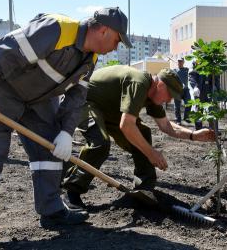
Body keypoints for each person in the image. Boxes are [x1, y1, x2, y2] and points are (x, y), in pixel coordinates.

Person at [0, 7, 131, 249]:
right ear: (104, 30)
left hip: (40, 102)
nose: (116, 47)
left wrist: (65, 131)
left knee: (50, 153)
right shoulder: (56, 29)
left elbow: (76, 98)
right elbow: (5, 51)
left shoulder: (90, 58)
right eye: (117, 40)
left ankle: (51, 211)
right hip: (3, 92)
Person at [61, 66, 216, 209]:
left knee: (143, 133)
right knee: (100, 143)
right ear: (161, 85)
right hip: (83, 100)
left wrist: (192, 135)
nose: (169, 100)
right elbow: (126, 126)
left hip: (109, 108)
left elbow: (165, 126)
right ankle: (71, 193)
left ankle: (144, 191)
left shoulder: (153, 94)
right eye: (169, 95)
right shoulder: (139, 83)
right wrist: (151, 153)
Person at [189, 62, 221, 130]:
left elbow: (217, 76)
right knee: (198, 109)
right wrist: (194, 86)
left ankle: (213, 131)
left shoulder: (211, 61)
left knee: (212, 109)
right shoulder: (197, 62)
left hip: (210, 89)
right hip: (199, 90)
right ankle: (198, 130)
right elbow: (192, 76)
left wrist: (217, 88)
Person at [173, 58, 191, 125]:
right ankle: (178, 120)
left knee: (189, 103)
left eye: (181, 61)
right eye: (178, 61)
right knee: (177, 107)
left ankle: (186, 118)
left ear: (183, 62)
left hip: (186, 90)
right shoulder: (174, 71)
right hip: (177, 90)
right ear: (177, 62)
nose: (179, 63)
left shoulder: (186, 70)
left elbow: (192, 69)